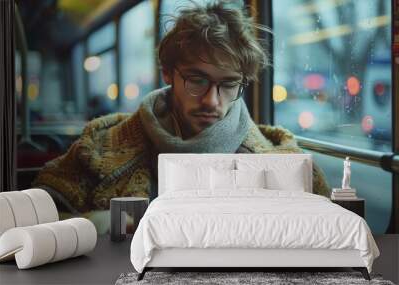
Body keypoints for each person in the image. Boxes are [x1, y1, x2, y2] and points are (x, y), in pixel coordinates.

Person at [33, 0, 330, 212]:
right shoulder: (98, 147)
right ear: (168, 73)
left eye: (228, 85)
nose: (213, 101)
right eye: (197, 80)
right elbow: (41, 203)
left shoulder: (283, 158)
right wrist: (96, 224)